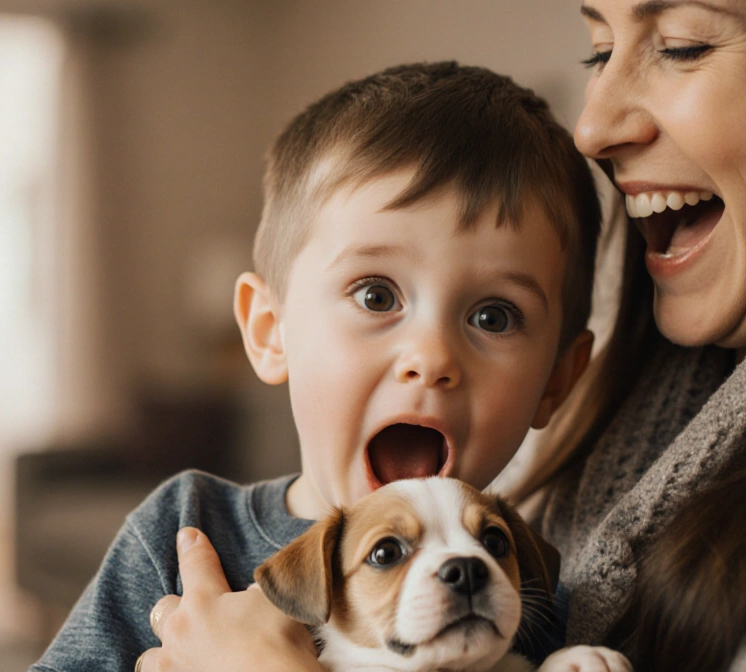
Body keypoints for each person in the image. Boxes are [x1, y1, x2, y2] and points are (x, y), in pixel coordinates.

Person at [137, 1, 746, 670]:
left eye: (680, 45)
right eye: (599, 51)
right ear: (269, 330)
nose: (592, 127)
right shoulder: (181, 533)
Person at [31, 61, 605, 672]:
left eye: (494, 317)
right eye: (376, 296)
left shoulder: (530, 594)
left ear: (556, 381)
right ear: (269, 331)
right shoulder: (182, 536)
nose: (432, 358)